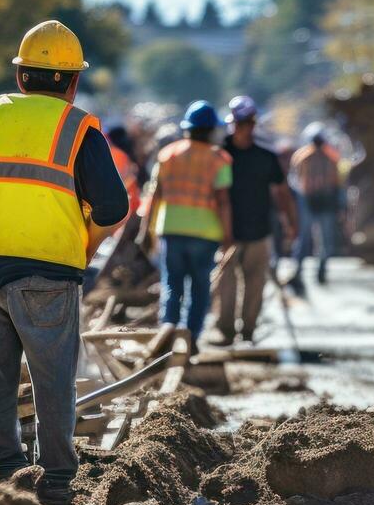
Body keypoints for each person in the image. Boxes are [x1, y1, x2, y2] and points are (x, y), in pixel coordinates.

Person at [0, 20, 129, 505]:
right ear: (72, 82)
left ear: (20, 76)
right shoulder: (79, 128)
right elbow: (114, 208)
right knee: (52, 377)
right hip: (50, 274)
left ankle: (2, 472)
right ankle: (56, 480)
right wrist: (86, 247)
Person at [138, 100, 234, 337]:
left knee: (172, 283)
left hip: (170, 229)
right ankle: (191, 337)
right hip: (206, 233)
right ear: (212, 129)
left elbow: (154, 197)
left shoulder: (167, 154)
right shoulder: (219, 158)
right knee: (200, 288)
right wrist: (229, 236)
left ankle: (168, 329)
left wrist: (145, 232)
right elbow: (223, 201)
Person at [211, 95, 296, 345]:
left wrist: (292, 224)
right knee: (225, 284)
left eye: (243, 123)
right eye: (236, 123)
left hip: (259, 230)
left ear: (252, 124)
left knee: (255, 284)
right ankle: (225, 331)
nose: (239, 128)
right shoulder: (219, 154)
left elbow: (283, 193)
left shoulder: (266, 157)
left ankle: (247, 331)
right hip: (225, 232)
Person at [288, 121, 343, 294]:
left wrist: (339, 204)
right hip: (308, 202)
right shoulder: (303, 156)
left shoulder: (331, 156)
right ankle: (298, 270)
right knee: (305, 238)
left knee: (324, 239)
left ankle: (321, 269)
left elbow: (338, 183)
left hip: (324, 202)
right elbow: (294, 181)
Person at [105, 123, 141, 225]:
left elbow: (120, 184)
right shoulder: (123, 155)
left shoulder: (117, 154)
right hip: (129, 208)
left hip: (123, 211)